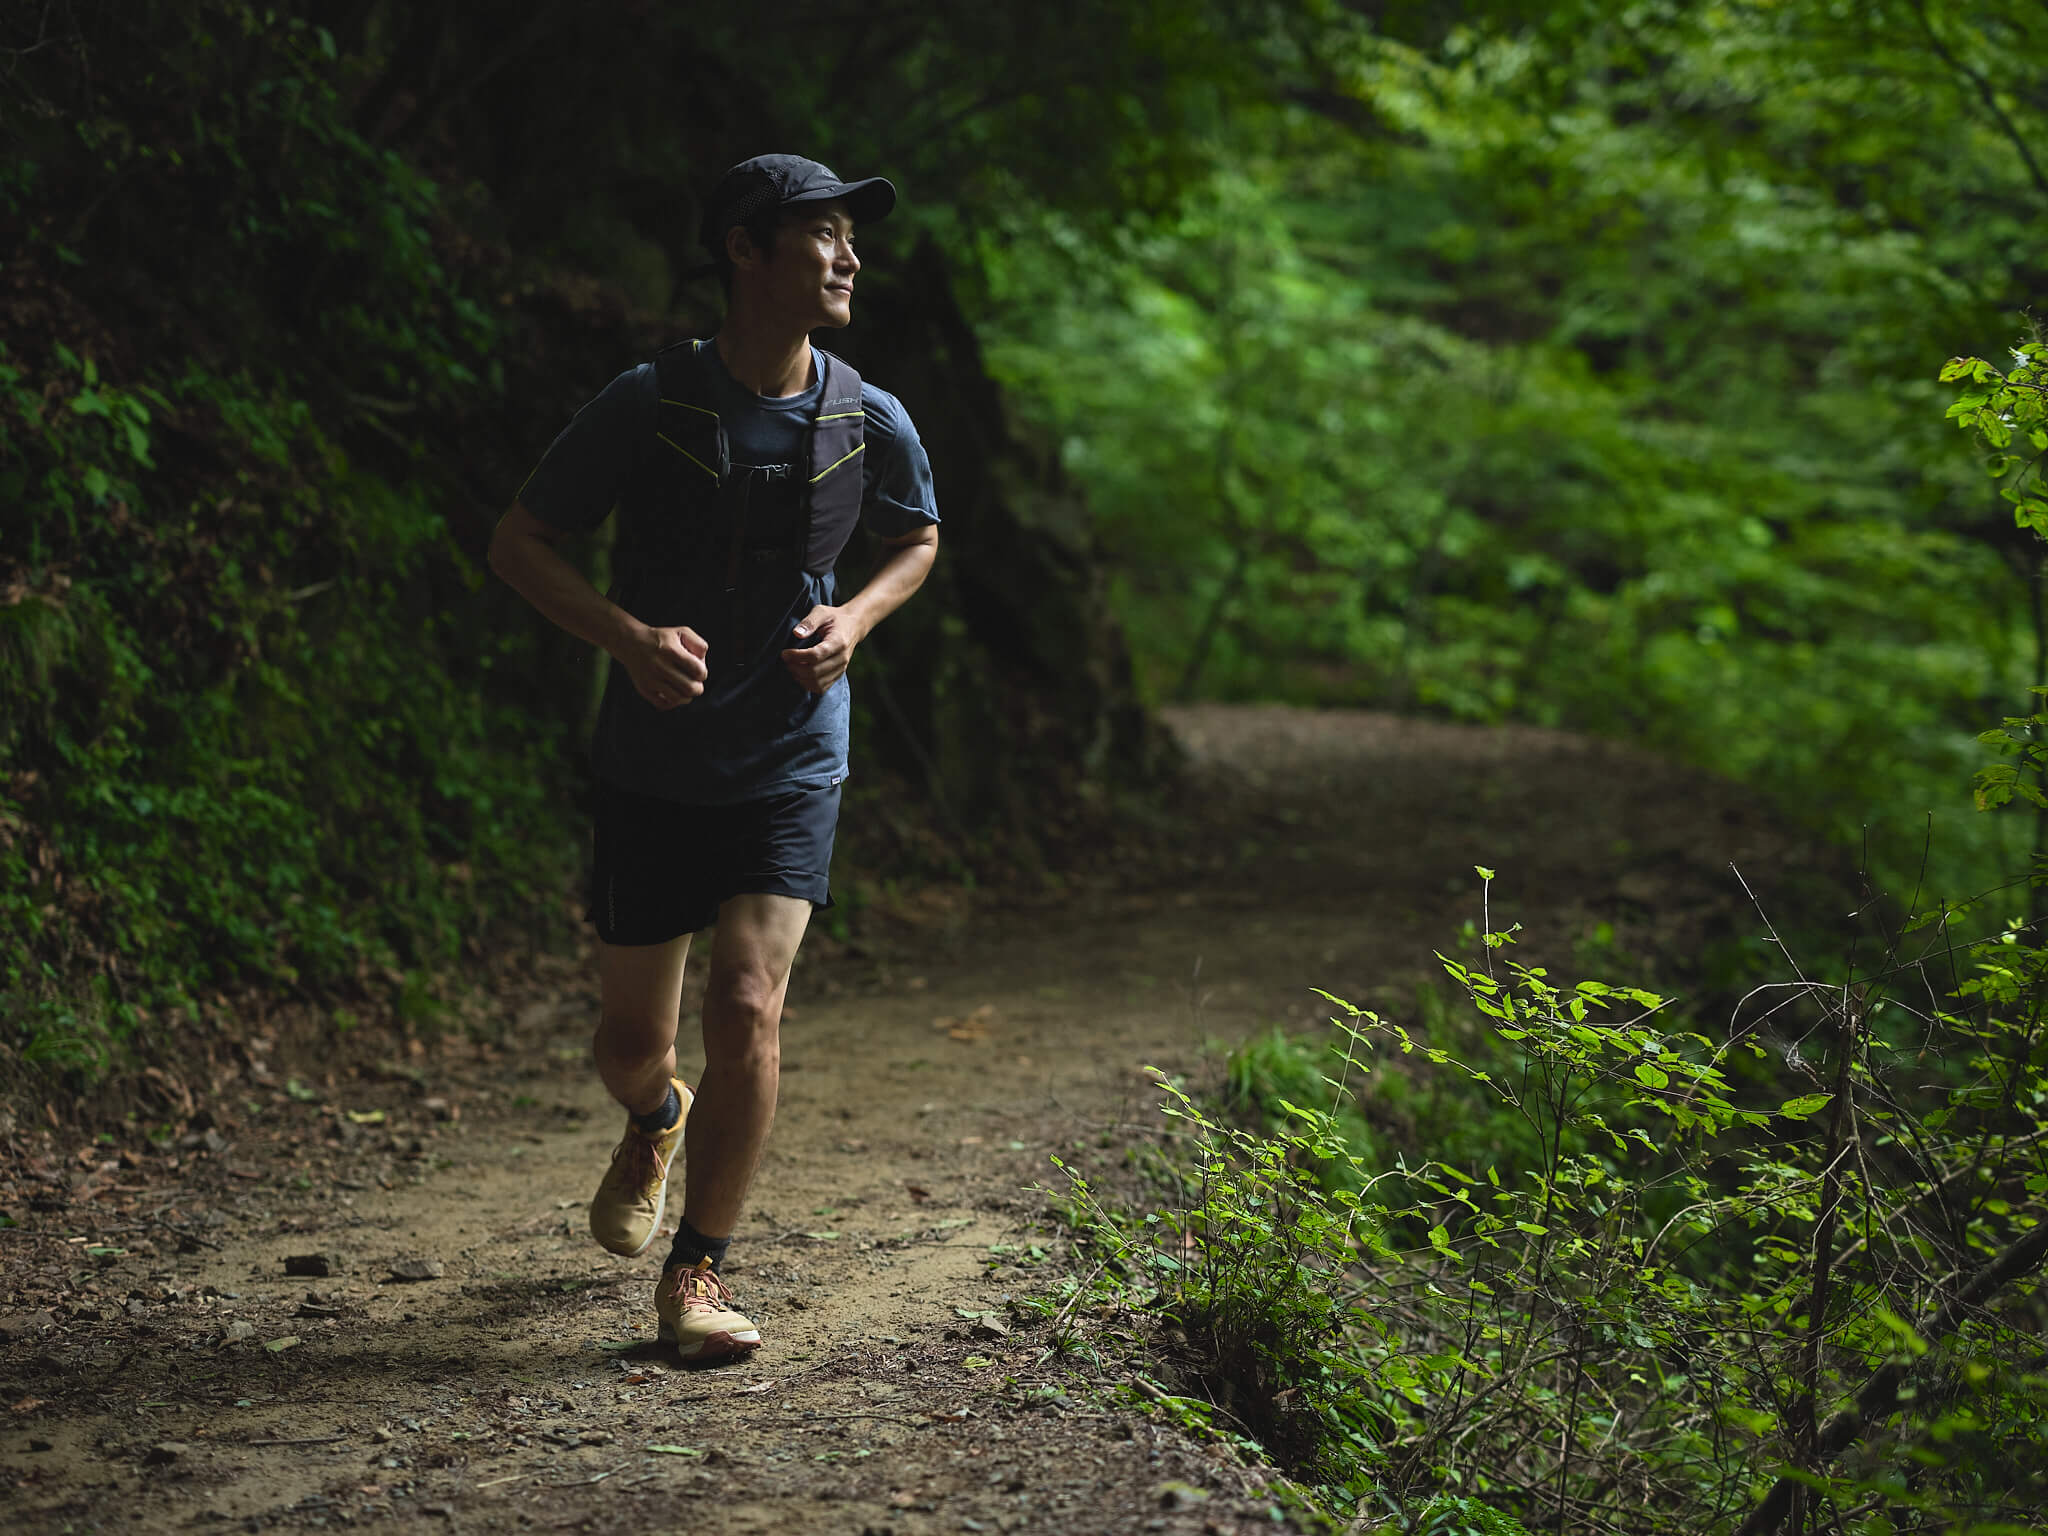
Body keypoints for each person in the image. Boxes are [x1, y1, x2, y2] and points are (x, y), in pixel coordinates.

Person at [488, 154, 940, 1363]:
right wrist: (625, 638)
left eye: (852, 240)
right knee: (632, 1041)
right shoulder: (648, 401)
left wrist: (852, 621)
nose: (848, 259)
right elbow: (521, 541)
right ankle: (654, 1112)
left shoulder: (865, 412)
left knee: (748, 1003)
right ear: (745, 250)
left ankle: (698, 1273)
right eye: (824, 236)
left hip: (791, 753)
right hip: (653, 759)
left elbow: (918, 540)